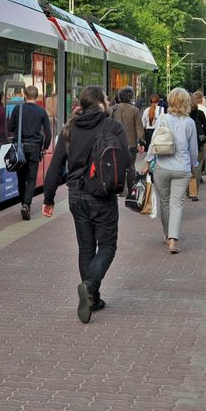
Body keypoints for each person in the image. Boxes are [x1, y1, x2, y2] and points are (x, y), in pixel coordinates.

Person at [43, 85, 128, 323]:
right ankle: (90, 286)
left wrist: (48, 199)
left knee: (86, 248)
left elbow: (55, 166)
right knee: (108, 245)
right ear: (101, 103)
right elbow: (126, 160)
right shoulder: (113, 126)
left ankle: (93, 298)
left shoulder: (69, 128)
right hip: (103, 196)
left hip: (76, 196)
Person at [147, 87, 199, 254]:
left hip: (162, 166)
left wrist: (149, 161)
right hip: (182, 167)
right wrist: (193, 164)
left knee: (164, 203)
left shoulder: (162, 118)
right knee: (176, 203)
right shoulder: (189, 122)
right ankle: (173, 240)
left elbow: (154, 141)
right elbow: (193, 149)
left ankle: (166, 234)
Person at [7, 85, 52, 221]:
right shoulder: (42, 111)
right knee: (31, 179)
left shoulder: (18, 109)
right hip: (34, 148)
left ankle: (23, 204)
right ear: (37, 97)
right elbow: (48, 133)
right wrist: (44, 148)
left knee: (21, 179)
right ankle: (27, 205)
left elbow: (10, 127)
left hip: (19, 148)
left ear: (24, 96)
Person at [110, 86, 145, 158]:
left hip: (115, 143)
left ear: (119, 96)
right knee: (130, 165)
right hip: (131, 143)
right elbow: (139, 128)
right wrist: (141, 143)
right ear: (131, 97)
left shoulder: (113, 109)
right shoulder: (135, 110)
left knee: (117, 165)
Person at [192, 90, 206, 179]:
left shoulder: (189, 110)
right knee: (201, 159)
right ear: (202, 99)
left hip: (190, 138)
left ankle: (192, 180)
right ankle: (198, 176)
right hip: (203, 138)